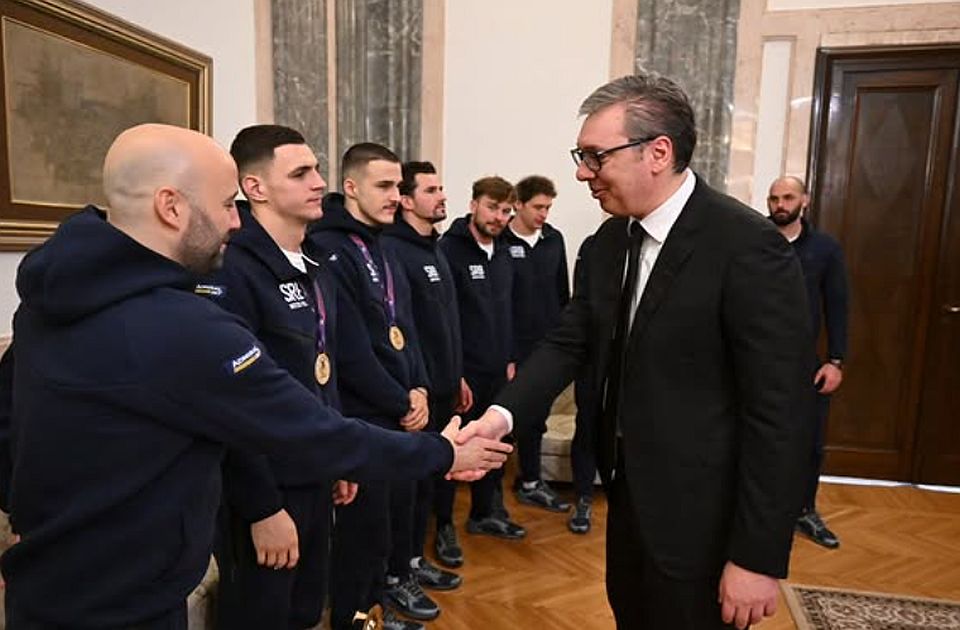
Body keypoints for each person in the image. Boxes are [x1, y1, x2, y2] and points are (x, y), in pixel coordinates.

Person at [0, 124, 510, 629]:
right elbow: (312, 432)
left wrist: (25, 518)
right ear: (171, 207)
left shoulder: (48, 303)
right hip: (126, 602)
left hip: (48, 587)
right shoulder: (186, 327)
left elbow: (10, 416)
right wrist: (442, 452)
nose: (236, 222)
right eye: (226, 204)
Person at [457, 73, 814, 630]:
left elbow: (780, 415)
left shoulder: (746, 247)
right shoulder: (609, 242)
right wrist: (498, 417)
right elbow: (567, 341)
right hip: (626, 497)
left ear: (658, 152)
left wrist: (756, 558)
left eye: (594, 156)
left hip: (705, 518)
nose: (582, 173)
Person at [198, 124, 355, 629]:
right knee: (262, 616)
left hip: (313, 475)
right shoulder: (231, 267)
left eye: (317, 168)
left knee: (306, 611)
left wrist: (339, 457)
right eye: (302, 172)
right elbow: (226, 404)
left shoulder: (315, 262)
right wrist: (262, 507)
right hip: (265, 491)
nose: (319, 182)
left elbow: (321, 371)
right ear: (256, 187)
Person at [307, 144, 436, 630]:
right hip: (366, 412)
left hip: (401, 406)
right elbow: (350, 348)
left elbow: (406, 325)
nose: (396, 197)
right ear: (353, 186)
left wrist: (419, 384)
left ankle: (374, 612)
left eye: (399, 187)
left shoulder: (382, 244)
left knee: (386, 529)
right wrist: (401, 400)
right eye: (384, 186)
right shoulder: (330, 247)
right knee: (361, 535)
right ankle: (350, 619)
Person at [383, 161, 471, 578]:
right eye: (431, 190)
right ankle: (403, 568)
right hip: (415, 393)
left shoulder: (435, 247)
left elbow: (447, 321)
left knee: (434, 484)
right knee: (410, 490)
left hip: (444, 387)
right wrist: (414, 386)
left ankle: (416, 560)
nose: (442, 197)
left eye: (441, 188)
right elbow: (404, 329)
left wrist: (458, 376)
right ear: (406, 200)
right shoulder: (394, 251)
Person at [439, 177, 524, 542]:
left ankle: (485, 513)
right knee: (454, 448)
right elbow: (447, 317)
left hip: (498, 369)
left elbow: (510, 311)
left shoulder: (506, 250)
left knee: (492, 444)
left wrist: (511, 359)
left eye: (506, 210)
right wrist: (456, 372)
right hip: (464, 374)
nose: (499, 217)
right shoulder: (448, 250)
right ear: (474, 204)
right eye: (492, 207)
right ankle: (443, 526)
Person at [767, 175, 849, 550]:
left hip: (805, 365)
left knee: (809, 443)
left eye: (787, 197)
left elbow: (838, 306)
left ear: (805, 201)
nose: (780, 204)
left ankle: (804, 511)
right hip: (757, 361)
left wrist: (836, 361)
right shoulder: (754, 240)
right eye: (773, 198)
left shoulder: (825, 249)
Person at [503, 175, 571, 513]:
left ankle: (530, 481)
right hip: (510, 347)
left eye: (548, 207)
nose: (544, 213)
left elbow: (563, 295)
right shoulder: (500, 240)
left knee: (536, 417)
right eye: (538, 207)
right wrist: (509, 354)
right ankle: (491, 496)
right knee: (507, 415)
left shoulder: (554, 240)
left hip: (547, 345)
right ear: (518, 204)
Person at [567, 234, 598, 534]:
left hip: (640, 365)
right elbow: (580, 306)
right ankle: (583, 498)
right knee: (586, 427)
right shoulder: (594, 246)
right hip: (593, 360)